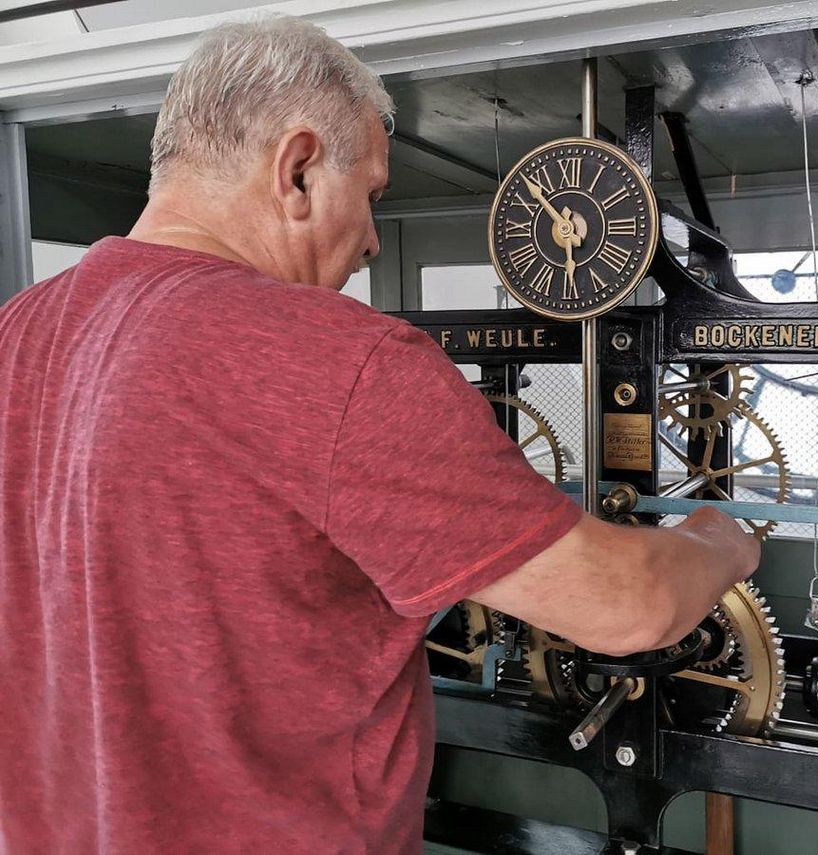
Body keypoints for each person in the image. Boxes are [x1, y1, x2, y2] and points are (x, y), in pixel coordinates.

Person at [0, 16, 760, 854]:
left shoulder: (14, 335)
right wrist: (724, 540)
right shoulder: (342, 360)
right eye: (368, 195)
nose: (368, 238)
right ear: (296, 170)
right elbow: (631, 604)